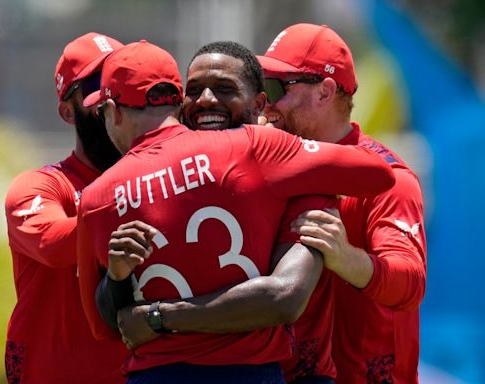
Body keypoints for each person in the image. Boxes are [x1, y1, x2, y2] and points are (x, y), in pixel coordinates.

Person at [77, 39, 395, 384]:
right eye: (194, 90)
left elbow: (109, 326)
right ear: (177, 102)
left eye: (224, 88)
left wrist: (158, 316)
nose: (207, 100)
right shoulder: (260, 148)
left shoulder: (97, 196)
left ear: (115, 111)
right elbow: (376, 171)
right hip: (251, 373)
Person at [258, 24, 427, 383]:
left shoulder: (388, 178)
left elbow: (411, 283)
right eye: (261, 88)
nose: (266, 104)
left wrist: (345, 257)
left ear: (326, 91)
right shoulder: (272, 168)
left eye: (276, 87)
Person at [4, 32, 128, 384]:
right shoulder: (40, 186)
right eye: (93, 85)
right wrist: (144, 203)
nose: (108, 95)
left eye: (118, 78)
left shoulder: (161, 177)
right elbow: (54, 245)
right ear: (66, 112)